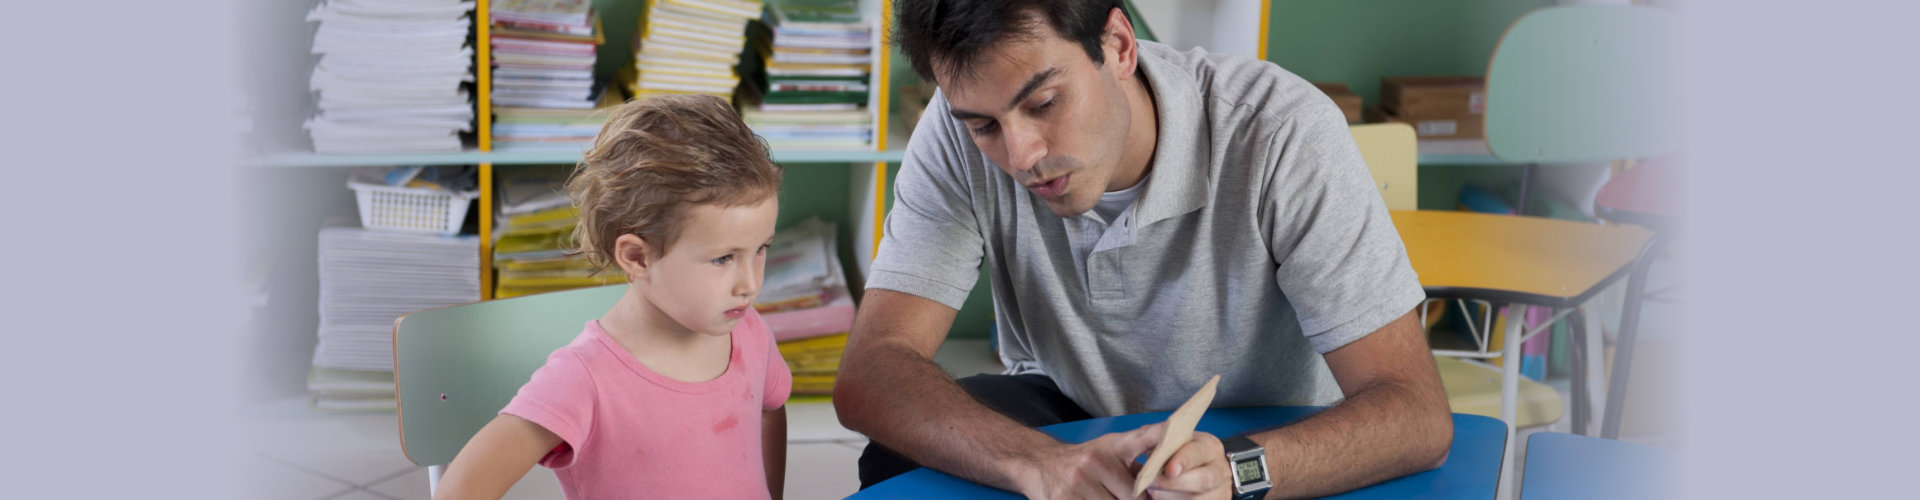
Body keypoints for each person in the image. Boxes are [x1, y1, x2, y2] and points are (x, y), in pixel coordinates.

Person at [834, 1, 1452, 498]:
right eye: (984, 126)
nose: (1021, 155)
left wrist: (1237, 472)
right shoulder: (953, 133)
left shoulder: (1282, 131)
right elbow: (871, 373)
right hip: (1072, 413)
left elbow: (1417, 414)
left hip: (1263, 430)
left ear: (1119, 46)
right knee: (896, 457)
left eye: (1045, 103)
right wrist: (1041, 465)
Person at [434, 94, 792, 500]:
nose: (749, 283)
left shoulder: (749, 331)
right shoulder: (585, 377)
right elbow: (462, 488)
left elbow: (768, 410)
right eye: (723, 258)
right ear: (637, 257)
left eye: (761, 249)